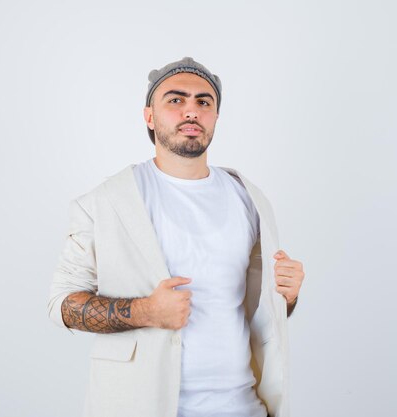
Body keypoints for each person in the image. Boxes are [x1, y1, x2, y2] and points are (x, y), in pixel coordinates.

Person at [48, 57, 305, 417]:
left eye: (204, 102)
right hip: (142, 407)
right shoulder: (106, 202)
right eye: (175, 99)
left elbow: (254, 310)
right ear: (149, 117)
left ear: (215, 117)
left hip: (243, 406)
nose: (191, 111)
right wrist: (145, 311)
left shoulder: (249, 198)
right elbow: (62, 305)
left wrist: (287, 297)